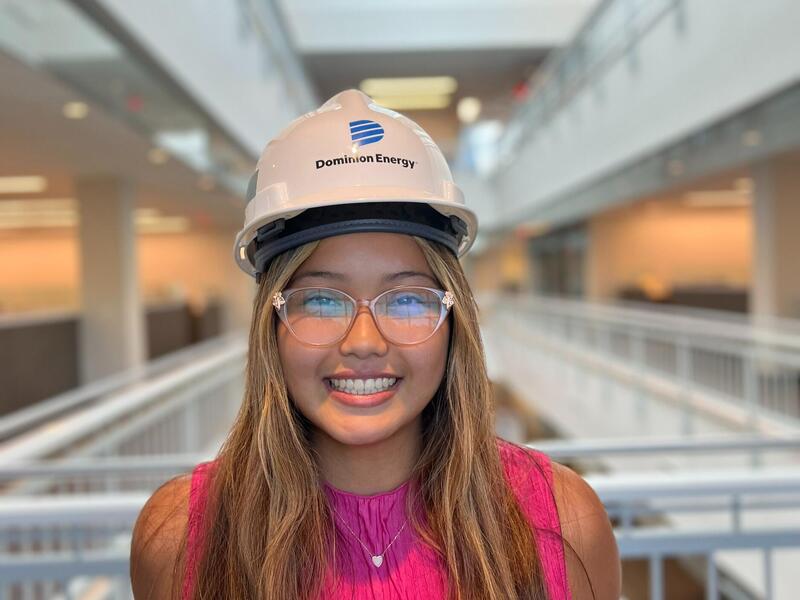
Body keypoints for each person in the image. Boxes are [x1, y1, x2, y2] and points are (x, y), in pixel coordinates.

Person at [129, 89, 620, 600]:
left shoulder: (564, 525)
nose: (364, 342)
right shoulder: (180, 538)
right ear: (270, 324)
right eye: (321, 301)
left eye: (406, 301)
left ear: (455, 320)